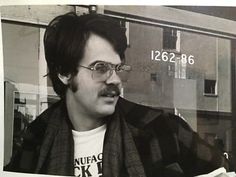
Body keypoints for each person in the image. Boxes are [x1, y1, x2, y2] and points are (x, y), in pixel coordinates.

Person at [5, 12, 231, 177]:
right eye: (100, 68)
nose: (115, 80)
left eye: (118, 68)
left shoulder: (162, 129)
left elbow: (223, 170)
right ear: (64, 73)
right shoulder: (36, 138)